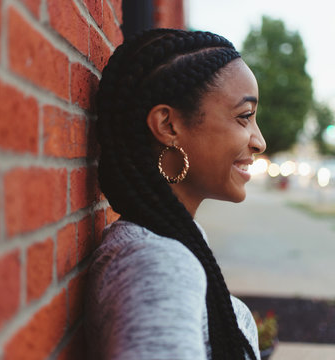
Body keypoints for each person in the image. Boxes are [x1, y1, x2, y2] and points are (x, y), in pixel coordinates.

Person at [84, 28, 266, 360]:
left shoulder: (172, 242)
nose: (259, 141)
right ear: (168, 126)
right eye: (244, 118)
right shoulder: (158, 264)